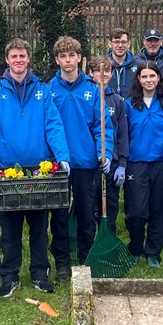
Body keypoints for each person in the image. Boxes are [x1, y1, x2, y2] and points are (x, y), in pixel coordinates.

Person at [0, 38, 69, 298]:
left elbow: (53, 124)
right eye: (14, 56)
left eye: (22, 56)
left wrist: (63, 156)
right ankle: (10, 276)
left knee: (39, 225)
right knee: (10, 227)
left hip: (40, 168)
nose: (18, 60)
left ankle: (40, 273)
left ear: (29, 59)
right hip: (8, 169)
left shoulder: (43, 90)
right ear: (7, 60)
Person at [48, 36, 104, 280]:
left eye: (72, 55)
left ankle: (85, 258)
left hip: (85, 162)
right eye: (63, 56)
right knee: (59, 215)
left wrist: (104, 151)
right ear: (57, 60)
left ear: (80, 58)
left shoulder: (92, 90)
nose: (68, 60)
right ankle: (61, 262)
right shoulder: (47, 91)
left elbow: (102, 127)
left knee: (85, 213)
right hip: (56, 165)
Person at [123, 60, 163, 267]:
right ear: (138, 79)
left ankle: (153, 252)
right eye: (144, 76)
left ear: (158, 78)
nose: (148, 80)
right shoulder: (128, 105)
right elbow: (124, 134)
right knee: (137, 211)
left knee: (159, 210)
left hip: (161, 163)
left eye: (152, 76)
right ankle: (135, 248)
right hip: (136, 164)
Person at [89, 57, 128, 233]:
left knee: (110, 204)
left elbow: (122, 135)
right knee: (91, 204)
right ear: (91, 73)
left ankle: (108, 236)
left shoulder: (118, 101)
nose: (102, 74)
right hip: (90, 162)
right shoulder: (87, 96)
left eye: (106, 71)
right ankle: (90, 239)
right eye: (98, 70)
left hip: (110, 161)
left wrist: (121, 164)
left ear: (111, 74)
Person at [106, 28, 136, 97]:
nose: (120, 45)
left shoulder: (139, 66)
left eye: (123, 42)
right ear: (110, 44)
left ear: (129, 44)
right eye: (116, 42)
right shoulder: (101, 66)